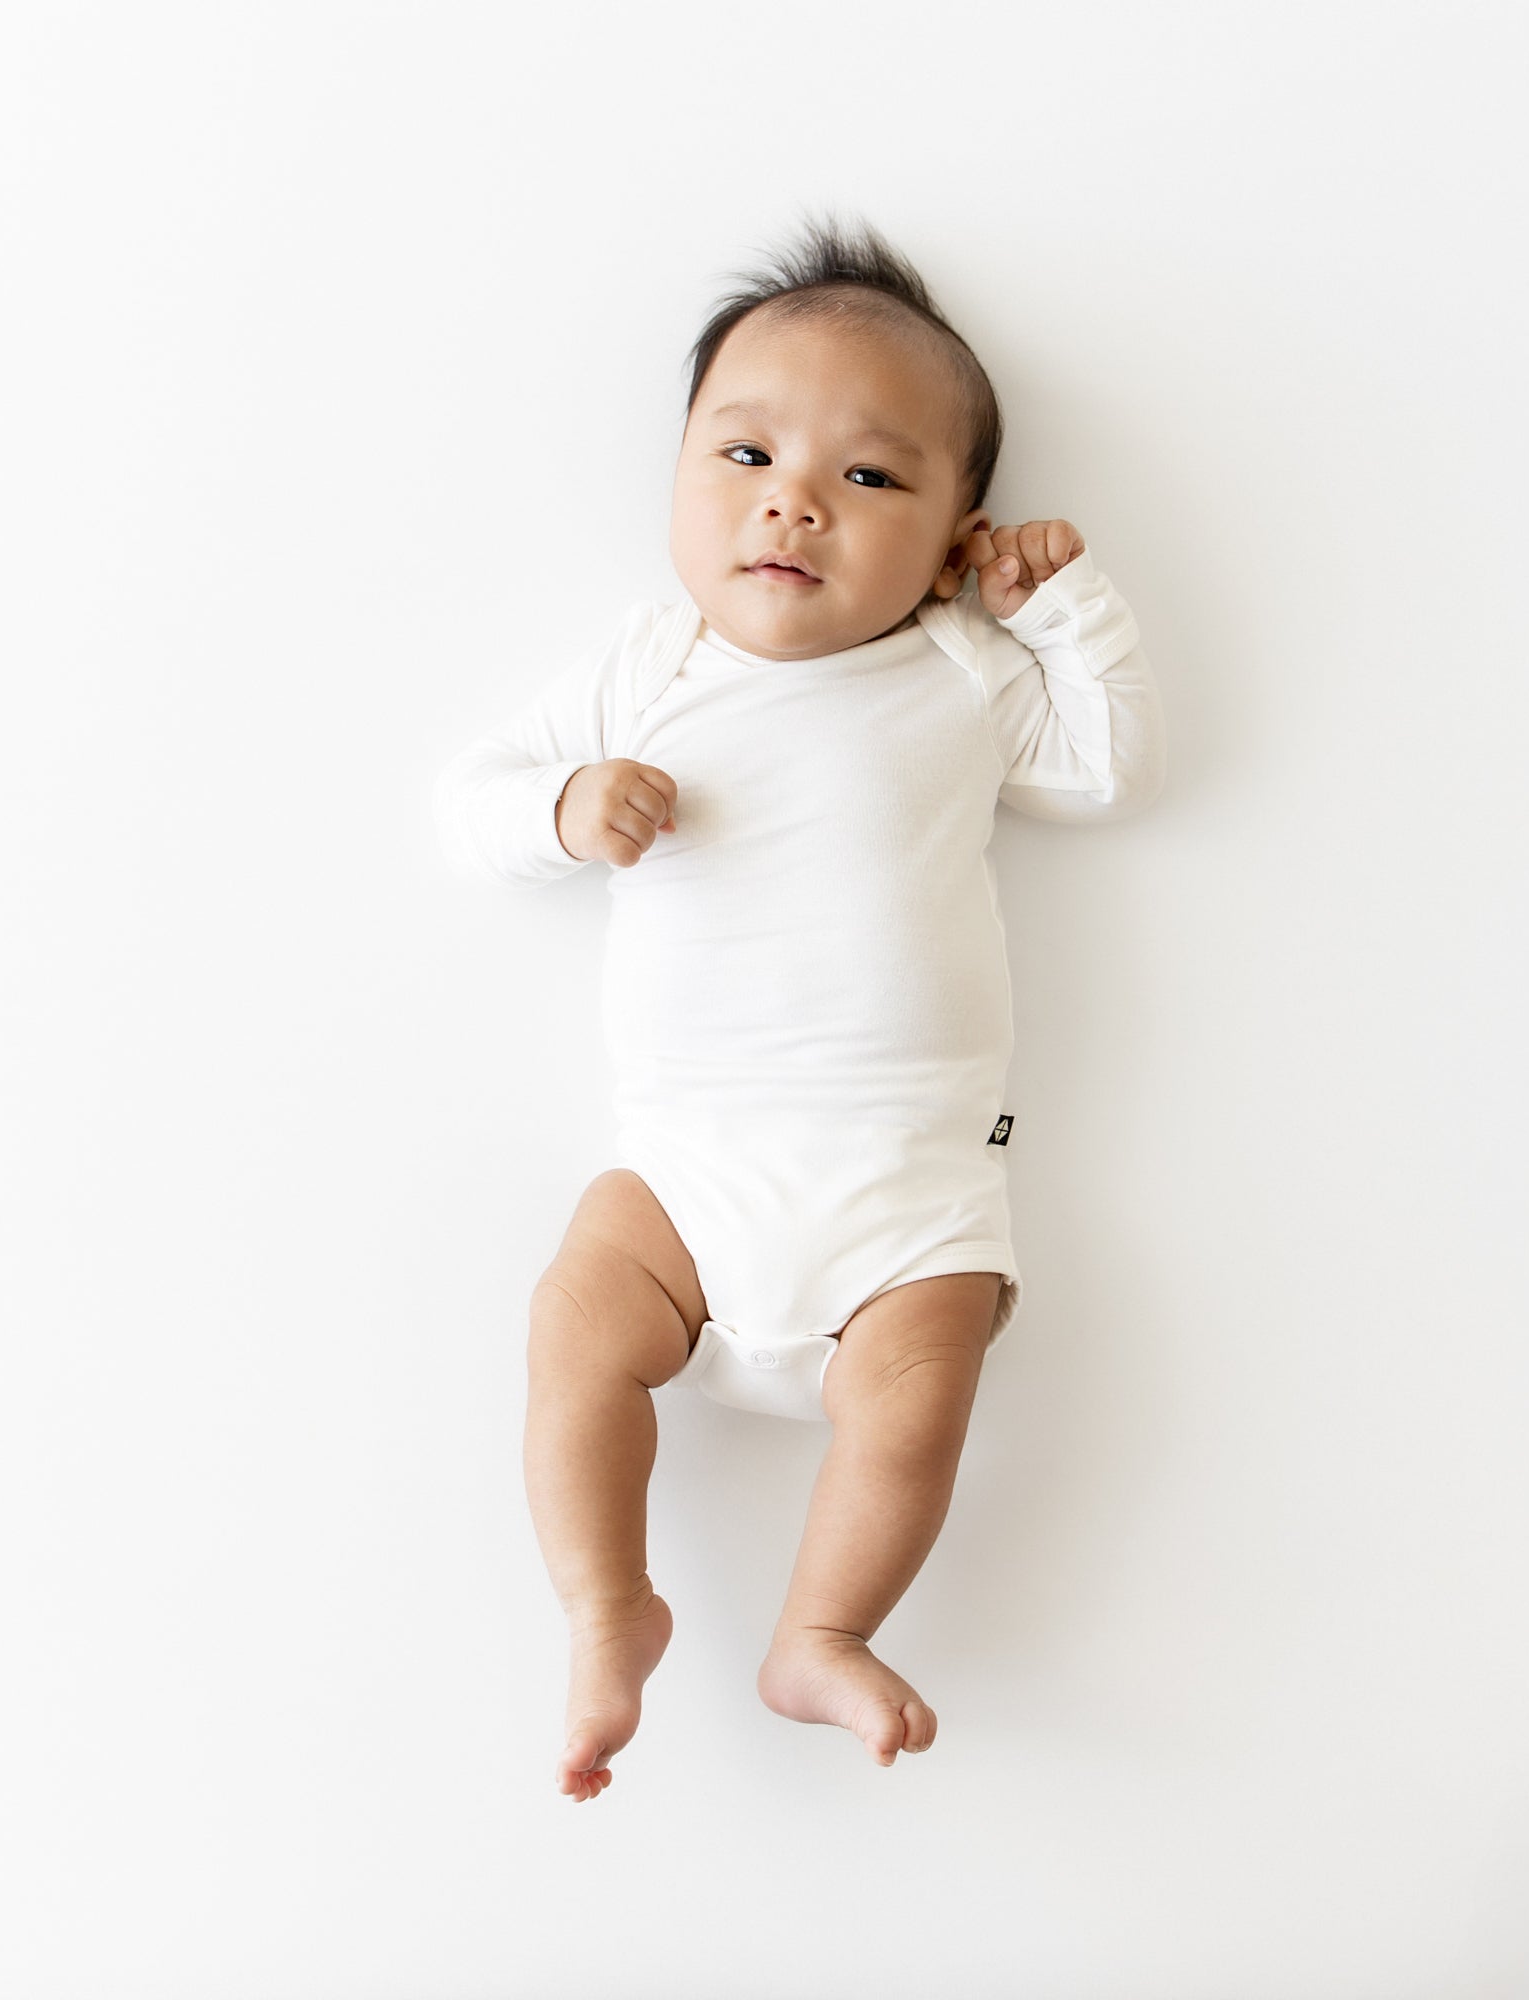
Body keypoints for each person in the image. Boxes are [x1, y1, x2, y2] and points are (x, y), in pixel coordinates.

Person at [434, 211, 1168, 1801]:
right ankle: (603, 1602)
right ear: (681, 472)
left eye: (873, 478)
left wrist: (1055, 607)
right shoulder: (650, 666)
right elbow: (468, 804)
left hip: (908, 1186)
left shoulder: (965, 669)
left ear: (958, 529)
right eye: (745, 451)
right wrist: (563, 807)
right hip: (684, 1176)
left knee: (918, 1402)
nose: (794, 501)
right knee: (573, 1331)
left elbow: (1105, 768)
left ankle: (820, 1631)